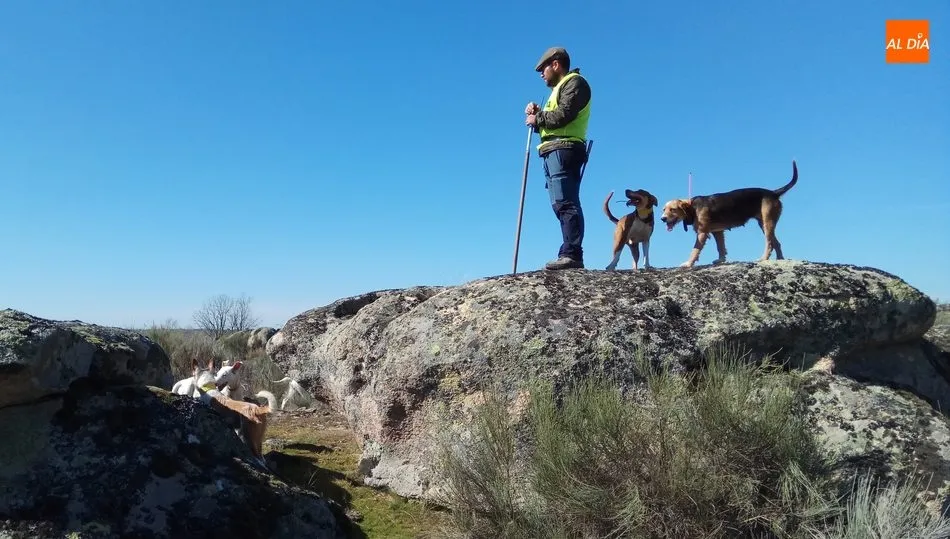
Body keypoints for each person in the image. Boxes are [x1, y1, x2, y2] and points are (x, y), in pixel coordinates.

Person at [525, 46, 592, 270]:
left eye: (543, 68)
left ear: (556, 64)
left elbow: (564, 114)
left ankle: (572, 254)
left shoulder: (575, 83)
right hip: (553, 150)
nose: (541, 74)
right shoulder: (561, 88)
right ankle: (569, 251)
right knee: (559, 203)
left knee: (566, 201)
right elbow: (553, 120)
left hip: (565, 150)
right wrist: (538, 115)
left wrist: (538, 117)